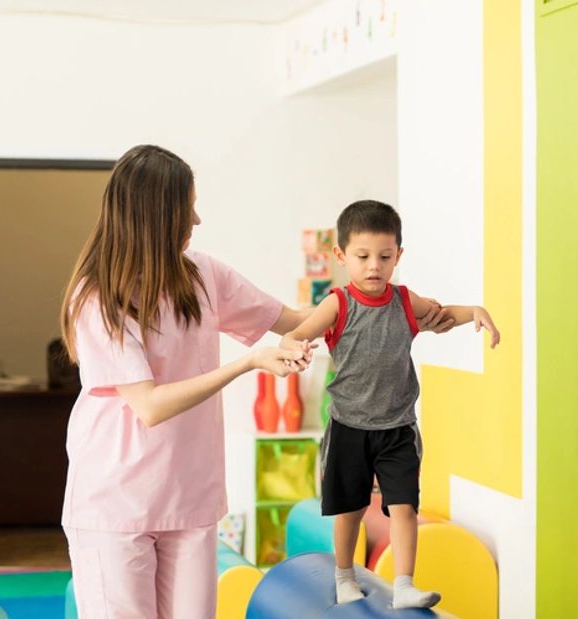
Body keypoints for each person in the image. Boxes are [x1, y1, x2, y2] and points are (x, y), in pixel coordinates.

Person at [58, 147, 452, 618]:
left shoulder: (203, 275)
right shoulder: (99, 297)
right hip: (116, 502)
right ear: (157, 213)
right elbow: (149, 406)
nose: (197, 219)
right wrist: (246, 364)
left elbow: (296, 321)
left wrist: (399, 311)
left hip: (188, 497)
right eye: (188, 207)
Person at [279, 199, 500, 610]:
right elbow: (302, 330)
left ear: (398, 254)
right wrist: (290, 346)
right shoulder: (338, 304)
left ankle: (403, 584)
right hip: (349, 426)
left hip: (397, 427)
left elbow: (441, 317)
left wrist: (475, 312)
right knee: (351, 509)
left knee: (404, 506)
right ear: (342, 256)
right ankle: (344, 575)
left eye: (384, 256)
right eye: (362, 257)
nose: (374, 266)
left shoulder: (403, 300)